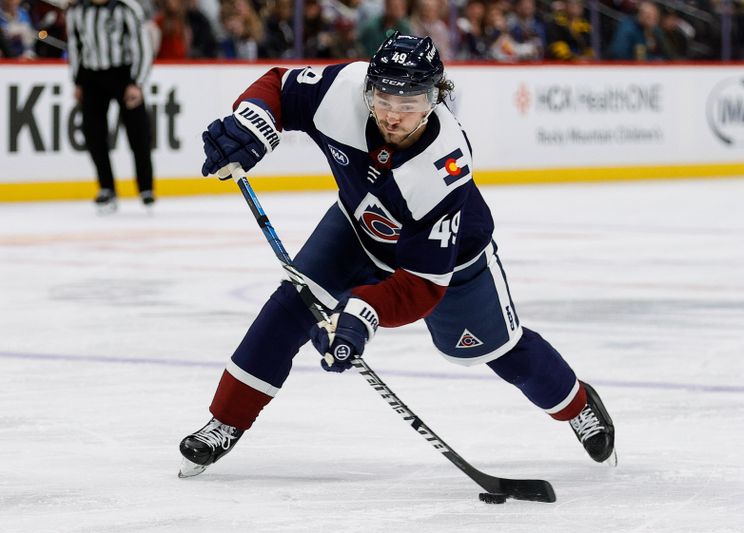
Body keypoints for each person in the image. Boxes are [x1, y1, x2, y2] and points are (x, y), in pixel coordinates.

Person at [178, 32, 616, 478]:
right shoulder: (342, 91)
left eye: (411, 102)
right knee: (290, 309)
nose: (393, 114)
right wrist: (252, 122)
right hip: (357, 228)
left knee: (502, 351)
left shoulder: (443, 166)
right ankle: (224, 422)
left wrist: (360, 315)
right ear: (368, 88)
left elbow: (423, 284)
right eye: (384, 97)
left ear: (436, 98)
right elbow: (278, 86)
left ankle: (578, 405)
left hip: (450, 263)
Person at [66, 0, 155, 213]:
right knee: (93, 134)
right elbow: (75, 46)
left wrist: (137, 82)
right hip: (91, 76)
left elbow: (142, 45)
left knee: (138, 133)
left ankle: (145, 188)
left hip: (123, 74)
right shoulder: (77, 10)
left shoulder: (126, 8)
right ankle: (106, 187)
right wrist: (77, 81)